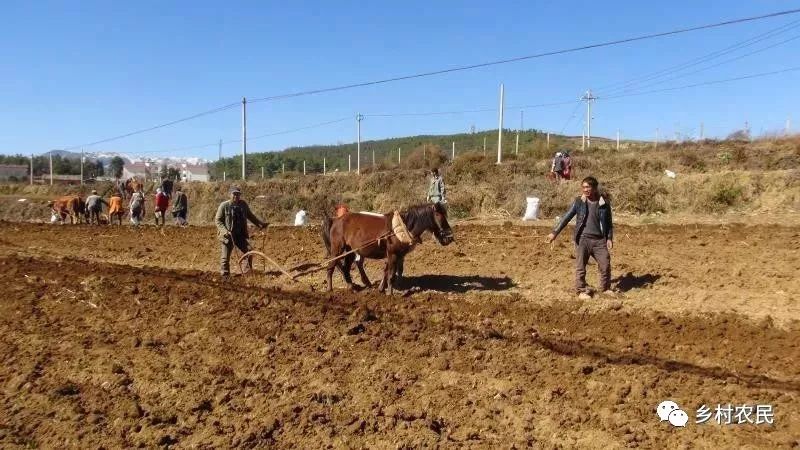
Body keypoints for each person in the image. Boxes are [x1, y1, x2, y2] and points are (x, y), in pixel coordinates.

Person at [546, 176, 614, 299]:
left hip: (599, 240)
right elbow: (566, 217)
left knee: (605, 264)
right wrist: (554, 233)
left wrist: (609, 238)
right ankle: (581, 290)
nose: (585, 190)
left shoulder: (604, 203)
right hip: (583, 238)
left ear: (594, 188)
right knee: (581, 266)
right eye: (583, 187)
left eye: (587, 187)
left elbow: (609, 223)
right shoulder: (579, 202)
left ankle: (605, 288)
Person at [215, 186, 268, 277]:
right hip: (228, 236)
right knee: (225, 257)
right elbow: (218, 221)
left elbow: (250, 216)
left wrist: (260, 224)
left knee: (249, 251)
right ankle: (225, 275)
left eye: (238, 194)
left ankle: (247, 272)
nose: (236, 196)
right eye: (234, 194)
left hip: (240, 235)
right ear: (230, 194)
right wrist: (225, 231)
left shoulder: (243, 204)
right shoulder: (224, 206)